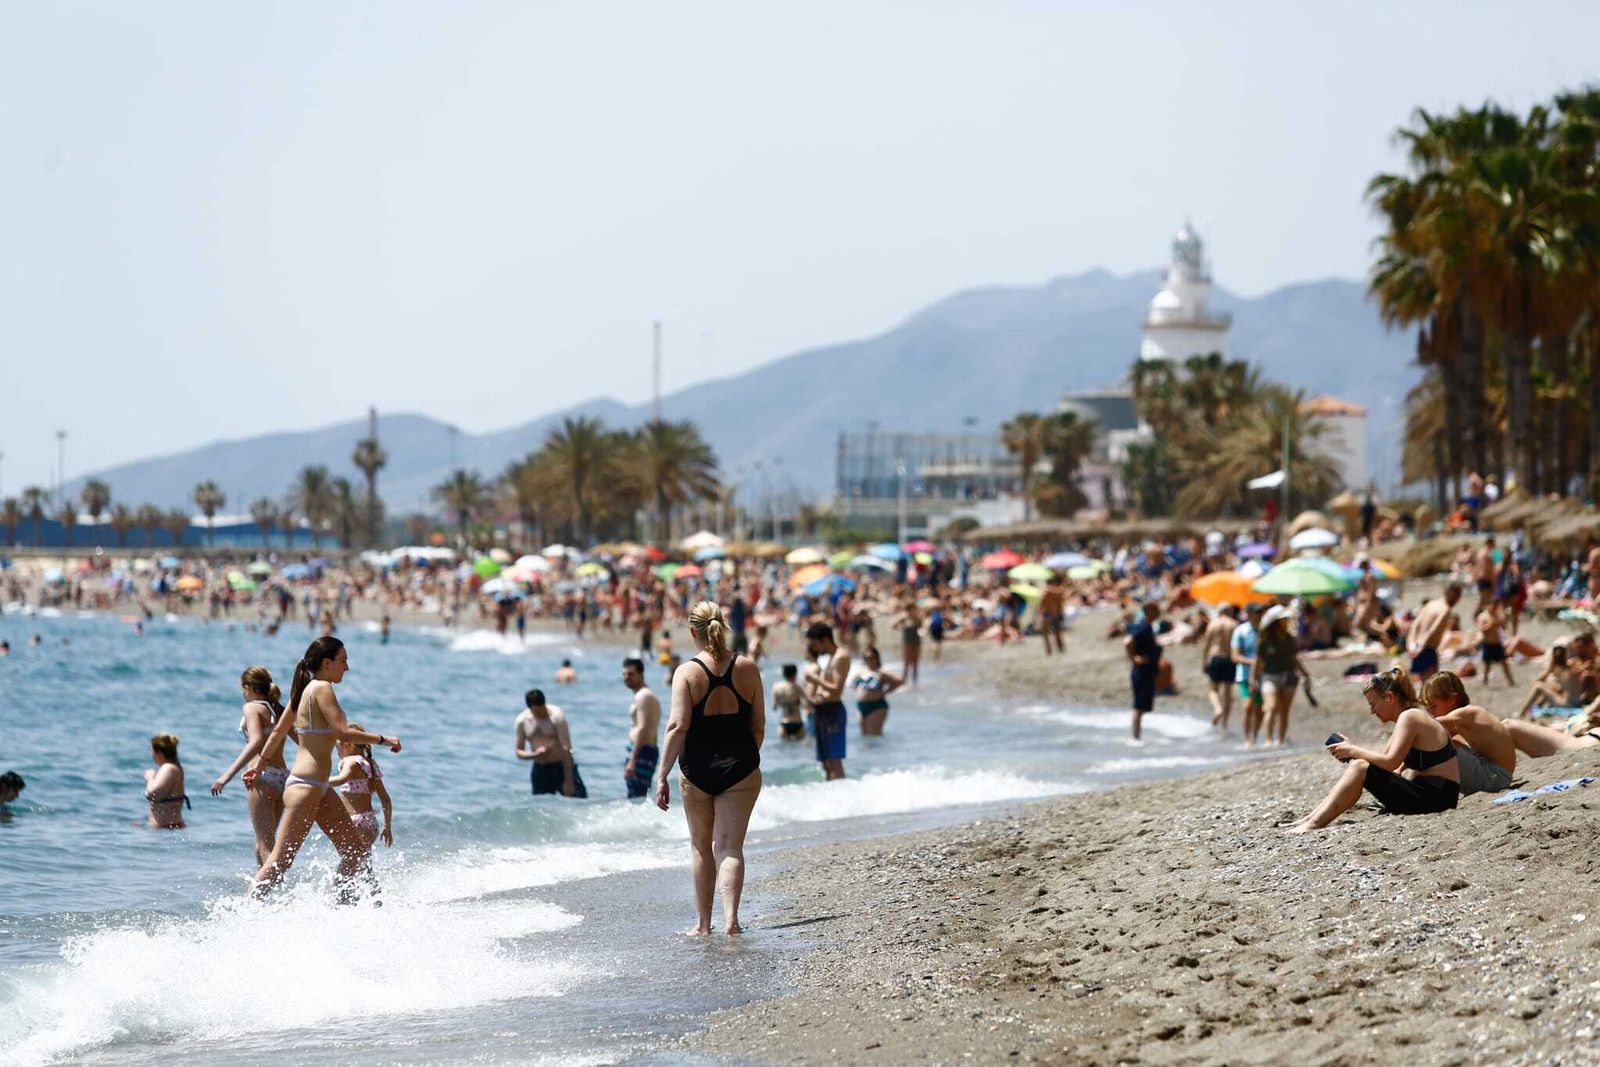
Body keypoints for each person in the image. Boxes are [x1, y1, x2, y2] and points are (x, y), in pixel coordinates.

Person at [246, 637, 403, 898]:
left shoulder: (305, 690)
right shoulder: (322, 688)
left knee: (356, 853)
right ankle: (243, 913)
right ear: (327, 663)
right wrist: (383, 739)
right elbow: (344, 732)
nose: (347, 667)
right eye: (343, 661)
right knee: (280, 862)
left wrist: (259, 767)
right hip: (305, 788)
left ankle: (347, 911)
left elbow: (277, 734)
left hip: (316, 787)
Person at [653, 600, 764, 936]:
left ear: (692, 631)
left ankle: (703, 925)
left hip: (696, 771)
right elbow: (758, 727)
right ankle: (732, 921)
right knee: (730, 847)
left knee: (702, 847)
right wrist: (742, 760)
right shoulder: (747, 668)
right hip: (741, 768)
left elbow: (677, 726)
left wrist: (662, 775)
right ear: (723, 626)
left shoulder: (686, 673)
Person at [1288, 668, 1460, 833]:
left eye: (1373, 704)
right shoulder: (1407, 717)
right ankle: (1310, 818)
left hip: (1437, 799)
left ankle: (1314, 823)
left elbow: (1390, 762)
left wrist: (1353, 750)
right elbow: (1384, 762)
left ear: (1389, 698)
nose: (1371, 711)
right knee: (1360, 765)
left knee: (1359, 766)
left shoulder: (1410, 717)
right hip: (1431, 794)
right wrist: (1350, 749)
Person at [210, 666, 290, 867]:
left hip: (262, 777)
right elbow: (300, 738)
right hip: (283, 777)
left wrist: (225, 776)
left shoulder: (252, 708)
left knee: (265, 846)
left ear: (248, 687)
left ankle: (280, 892)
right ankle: (266, 895)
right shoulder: (277, 709)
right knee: (263, 845)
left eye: (243, 689)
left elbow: (255, 741)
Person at [1418, 671, 1515, 795]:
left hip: (1496, 777)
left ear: (1452, 699)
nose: (1431, 712)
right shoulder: (1465, 719)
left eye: (1433, 706)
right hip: (1498, 774)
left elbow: (1425, 727)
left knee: (1434, 742)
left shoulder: (1464, 714)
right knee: (1446, 742)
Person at [328, 726, 394, 884]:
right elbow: (386, 799)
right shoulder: (370, 764)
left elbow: (341, 779)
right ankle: (374, 899)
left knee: (345, 869)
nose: (337, 752)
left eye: (337, 747)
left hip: (356, 823)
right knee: (365, 865)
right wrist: (387, 827)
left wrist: (317, 783)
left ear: (348, 745)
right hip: (370, 823)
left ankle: (341, 903)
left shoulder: (350, 761)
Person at [1253, 605, 1310, 747]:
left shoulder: (1288, 638)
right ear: (1276, 622)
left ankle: (1281, 740)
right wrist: (1252, 679)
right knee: (1270, 707)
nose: (1286, 621)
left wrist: (1305, 673)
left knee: (1284, 710)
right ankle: (1268, 740)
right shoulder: (1265, 639)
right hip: (1269, 676)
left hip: (1288, 675)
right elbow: (1258, 660)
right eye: (1284, 619)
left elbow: (1294, 658)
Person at [515, 689, 586, 797]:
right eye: (537, 712)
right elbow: (519, 752)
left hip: (562, 766)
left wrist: (568, 780)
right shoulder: (522, 721)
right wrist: (534, 754)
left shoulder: (556, 716)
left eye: (543, 709)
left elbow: (567, 747)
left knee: (579, 800)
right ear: (530, 708)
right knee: (540, 808)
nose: (542, 714)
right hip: (540, 768)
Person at [803, 620, 851, 780]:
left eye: (815, 644)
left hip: (833, 711)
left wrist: (815, 679)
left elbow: (836, 688)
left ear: (825, 640)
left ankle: (841, 797)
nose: (814, 648)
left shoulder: (840, 657)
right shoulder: (831, 658)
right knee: (826, 763)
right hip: (822, 711)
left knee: (835, 761)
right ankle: (830, 796)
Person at [622, 657, 661, 799]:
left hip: (642, 752)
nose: (627, 678)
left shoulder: (643, 696)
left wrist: (633, 759)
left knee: (636, 796)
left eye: (631, 674)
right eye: (624, 674)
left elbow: (643, 729)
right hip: (643, 751)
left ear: (641, 674)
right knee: (639, 795)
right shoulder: (643, 695)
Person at [1407, 584, 1461, 683]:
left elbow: (1415, 624)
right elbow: (1433, 630)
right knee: (1432, 686)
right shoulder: (1445, 609)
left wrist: (1411, 644)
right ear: (1452, 594)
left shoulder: (1430, 604)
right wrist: (1421, 647)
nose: (1457, 601)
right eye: (1457, 597)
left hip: (1417, 646)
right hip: (1427, 648)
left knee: (1424, 685)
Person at [1125, 602, 1162, 740]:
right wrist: (1134, 659)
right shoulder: (1143, 627)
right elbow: (1128, 641)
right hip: (1142, 671)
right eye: (1156, 609)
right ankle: (1135, 737)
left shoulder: (1148, 627)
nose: (1159, 611)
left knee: (1141, 707)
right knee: (1139, 707)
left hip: (1146, 671)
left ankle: (1137, 736)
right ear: (1149, 611)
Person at [1200, 605, 1239, 731]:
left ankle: (1217, 708)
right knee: (1228, 692)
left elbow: (1206, 644)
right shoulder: (1234, 624)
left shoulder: (1213, 623)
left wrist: (1204, 661)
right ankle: (1225, 724)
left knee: (1213, 689)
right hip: (1230, 659)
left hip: (1216, 657)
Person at [850, 646, 904, 736]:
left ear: (877, 659)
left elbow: (900, 680)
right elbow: (852, 685)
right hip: (861, 707)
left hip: (876, 706)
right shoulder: (860, 672)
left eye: (871, 658)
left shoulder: (880, 673)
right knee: (865, 737)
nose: (869, 660)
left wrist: (886, 691)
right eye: (866, 658)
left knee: (874, 736)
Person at [1232, 603, 1265, 746]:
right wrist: (1254, 663)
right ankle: (1247, 739)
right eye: (1256, 612)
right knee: (1247, 706)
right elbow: (1235, 656)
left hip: (1264, 676)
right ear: (1249, 614)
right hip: (1245, 675)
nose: (1259, 615)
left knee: (1260, 709)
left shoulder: (1266, 630)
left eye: (1260, 612)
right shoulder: (1241, 631)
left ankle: (1254, 736)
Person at [144, 733, 190, 830]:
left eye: (152, 751)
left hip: (165, 830)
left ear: (159, 753)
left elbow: (152, 794)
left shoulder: (168, 768)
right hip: (171, 827)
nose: (150, 754)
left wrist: (150, 778)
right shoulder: (176, 768)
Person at [1476, 597, 1515, 687]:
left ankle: (1510, 681)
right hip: (1487, 643)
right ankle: (1485, 683)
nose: (1494, 608)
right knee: (1487, 665)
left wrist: (1502, 619)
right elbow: (1481, 629)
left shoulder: (1496, 615)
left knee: (1504, 663)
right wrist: (1491, 625)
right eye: (1493, 606)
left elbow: (1504, 626)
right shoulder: (1483, 616)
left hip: (1497, 643)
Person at [772, 663, 806, 741]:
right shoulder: (798, 687)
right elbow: (805, 704)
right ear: (795, 673)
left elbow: (774, 707)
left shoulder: (776, 687)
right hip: (797, 721)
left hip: (784, 722)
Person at [1038, 577, 1065, 657]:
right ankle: (1060, 648)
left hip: (1047, 613)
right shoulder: (1059, 591)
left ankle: (1049, 650)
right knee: (1057, 632)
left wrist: (1039, 613)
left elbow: (1041, 603)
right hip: (1057, 613)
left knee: (1045, 633)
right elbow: (1061, 603)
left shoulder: (1046, 592)